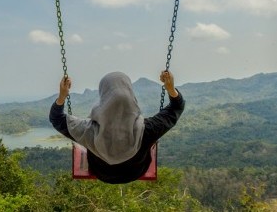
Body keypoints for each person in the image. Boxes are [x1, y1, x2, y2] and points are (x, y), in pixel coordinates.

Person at [49, 70, 185, 184]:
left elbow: (56, 118)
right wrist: (171, 89)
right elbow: (176, 108)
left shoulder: (87, 131)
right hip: (135, 172)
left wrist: (62, 96)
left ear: (103, 97)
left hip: (102, 174)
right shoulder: (147, 130)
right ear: (131, 96)